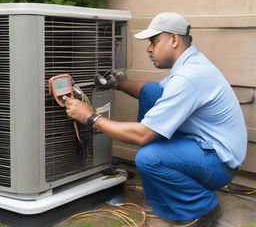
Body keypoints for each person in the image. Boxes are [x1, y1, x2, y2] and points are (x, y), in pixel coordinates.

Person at [66, 13, 247, 226]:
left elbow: (142, 135)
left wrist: (90, 116)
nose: (149, 49)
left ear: (173, 39)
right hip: (207, 147)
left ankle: (202, 210)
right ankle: (165, 200)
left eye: (154, 41)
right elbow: (154, 90)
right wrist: (117, 84)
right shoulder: (191, 63)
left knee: (149, 156)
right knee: (152, 92)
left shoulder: (189, 77)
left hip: (219, 164)